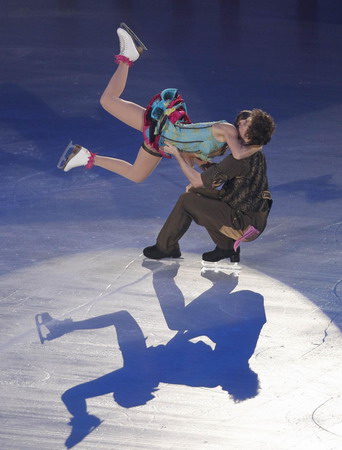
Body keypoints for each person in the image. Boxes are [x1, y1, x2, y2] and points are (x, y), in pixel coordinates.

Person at [58, 23, 275, 183]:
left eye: (249, 124)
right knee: (107, 101)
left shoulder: (225, 144)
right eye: (248, 119)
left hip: (164, 141)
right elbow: (238, 154)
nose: (244, 120)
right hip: (162, 126)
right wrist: (258, 145)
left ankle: (85, 156)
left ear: (249, 135)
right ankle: (128, 57)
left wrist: (193, 175)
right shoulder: (228, 130)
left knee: (137, 175)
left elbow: (194, 151)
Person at [142, 124, 274, 263]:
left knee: (187, 201)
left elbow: (197, 181)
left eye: (246, 123)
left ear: (249, 135)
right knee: (196, 194)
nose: (240, 123)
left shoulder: (239, 159)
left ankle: (165, 247)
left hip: (243, 223)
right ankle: (226, 247)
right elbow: (218, 177)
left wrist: (177, 155)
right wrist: (200, 159)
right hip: (247, 215)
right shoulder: (254, 153)